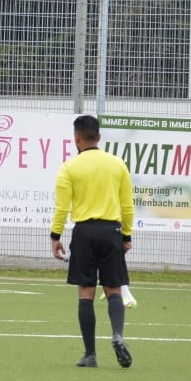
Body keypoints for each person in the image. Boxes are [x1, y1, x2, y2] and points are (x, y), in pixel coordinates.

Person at [50, 113, 135, 368]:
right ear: (98, 137)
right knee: (113, 289)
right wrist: (126, 235)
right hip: (111, 232)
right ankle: (118, 334)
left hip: (84, 233)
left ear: (77, 138)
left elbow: (62, 208)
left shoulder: (70, 168)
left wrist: (55, 236)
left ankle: (90, 354)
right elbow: (127, 205)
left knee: (86, 292)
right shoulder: (117, 165)